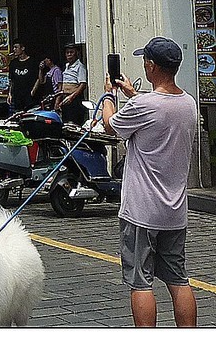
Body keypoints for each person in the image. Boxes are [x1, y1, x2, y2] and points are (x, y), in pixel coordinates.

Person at [99, 37, 199, 328]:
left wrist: (108, 96)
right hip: (175, 211)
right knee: (178, 278)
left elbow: (111, 124)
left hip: (141, 211)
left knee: (140, 282)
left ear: (152, 66)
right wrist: (133, 94)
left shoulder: (144, 105)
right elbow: (157, 115)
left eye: (145, 61)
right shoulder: (188, 104)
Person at [57, 42, 89, 125]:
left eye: (72, 52)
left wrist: (72, 96)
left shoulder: (80, 66)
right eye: (67, 53)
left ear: (76, 53)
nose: (69, 55)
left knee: (73, 123)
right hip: (65, 97)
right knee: (65, 122)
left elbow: (82, 84)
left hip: (74, 99)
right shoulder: (66, 66)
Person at [7, 42, 37, 112]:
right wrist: (9, 94)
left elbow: (38, 78)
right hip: (17, 95)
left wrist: (33, 91)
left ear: (22, 48)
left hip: (29, 96)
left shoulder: (32, 62)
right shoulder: (13, 63)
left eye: (16, 47)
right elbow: (11, 80)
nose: (14, 49)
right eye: (13, 47)